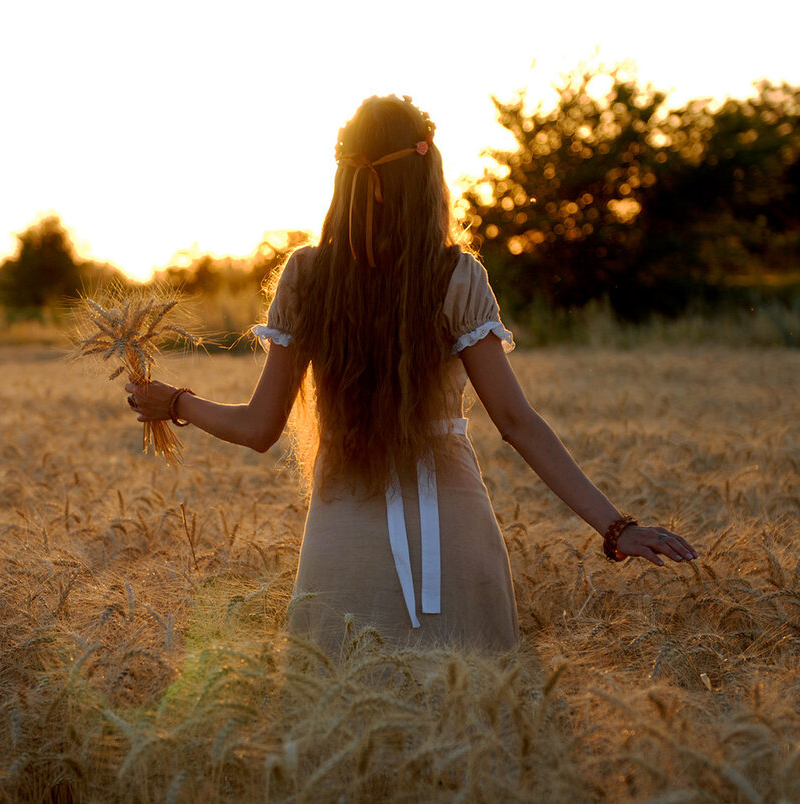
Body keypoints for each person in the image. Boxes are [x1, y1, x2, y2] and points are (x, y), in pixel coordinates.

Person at [126, 95, 698, 657]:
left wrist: (176, 402)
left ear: (344, 178)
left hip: (342, 534)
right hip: (453, 532)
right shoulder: (457, 276)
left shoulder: (305, 276)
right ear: (427, 175)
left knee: (338, 716)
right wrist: (615, 527)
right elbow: (519, 423)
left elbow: (258, 428)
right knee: (470, 722)